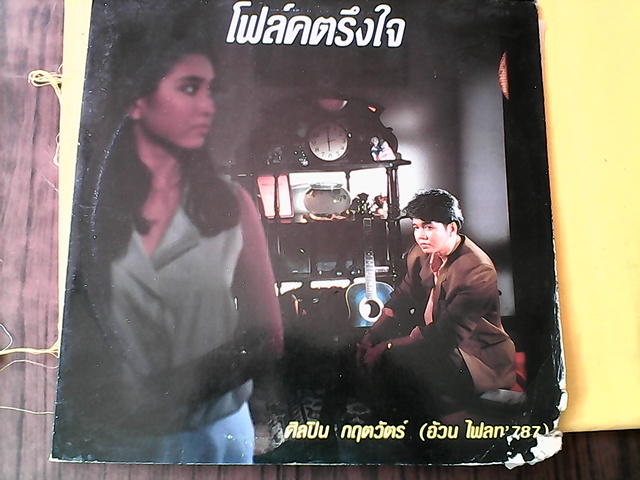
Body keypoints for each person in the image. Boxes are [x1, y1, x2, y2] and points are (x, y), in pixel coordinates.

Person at [53, 22, 283, 464]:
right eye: (190, 88)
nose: (207, 106)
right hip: (118, 440)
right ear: (137, 100)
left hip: (216, 435)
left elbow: (268, 337)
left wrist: (171, 390)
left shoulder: (231, 204)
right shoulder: (89, 207)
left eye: (211, 90)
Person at [356, 189, 515, 418]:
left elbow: (445, 335)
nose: (420, 235)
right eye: (416, 227)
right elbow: (401, 297)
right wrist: (371, 335)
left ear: (452, 228)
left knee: (396, 361)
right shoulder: (419, 254)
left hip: (474, 355)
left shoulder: (477, 269)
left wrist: (385, 347)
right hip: (431, 339)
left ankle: (416, 421)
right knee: (363, 352)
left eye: (429, 227)